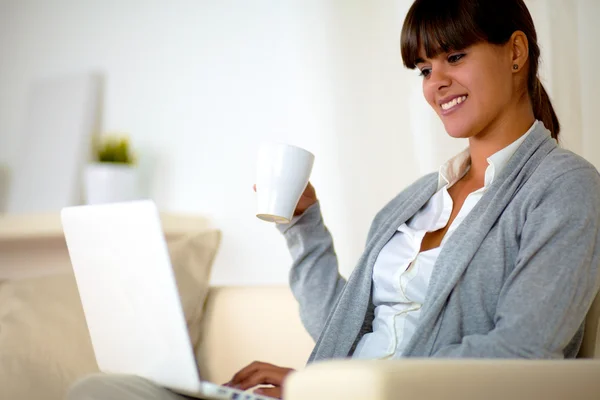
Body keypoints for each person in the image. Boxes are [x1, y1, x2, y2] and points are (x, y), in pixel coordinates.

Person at [67, 0, 600, 399]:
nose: (436, 83)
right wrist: (304, 228)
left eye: (454, 57)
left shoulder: (565, 188)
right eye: (423, 69)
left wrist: (329, 387)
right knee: (101, 389)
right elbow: (345, 328)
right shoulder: (417, 200)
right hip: (333, 392)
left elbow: (524, 350)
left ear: (515, 51)